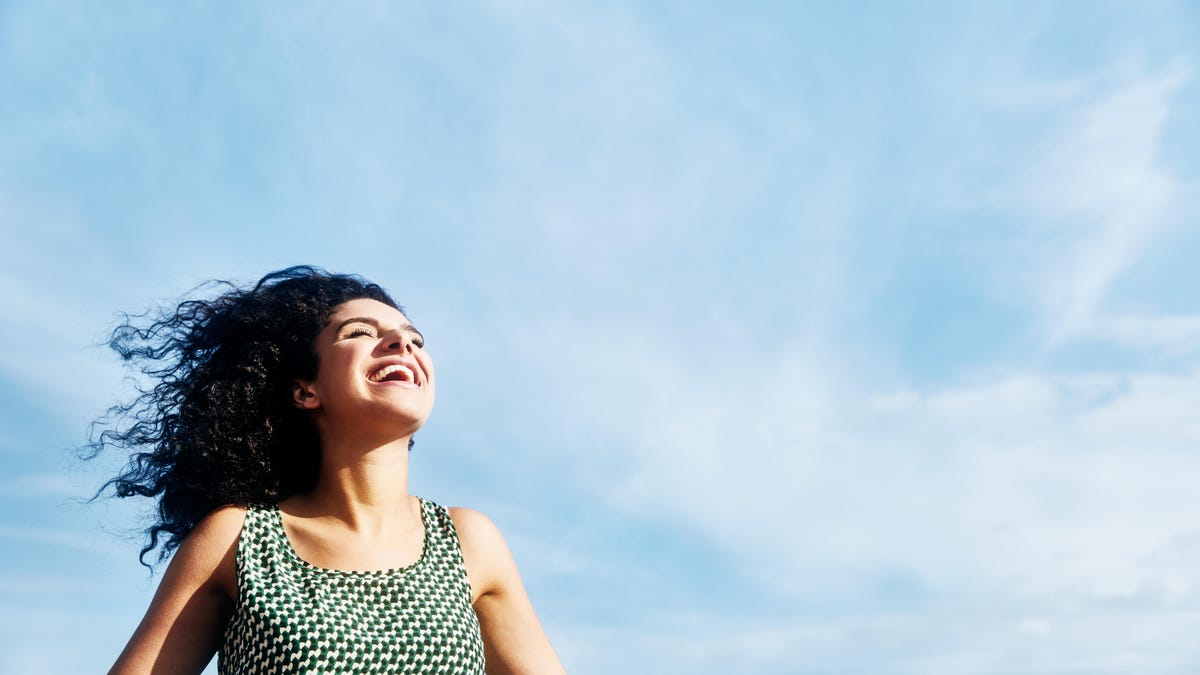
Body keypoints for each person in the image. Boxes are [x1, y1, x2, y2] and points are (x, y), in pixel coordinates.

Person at [94, 266, 566, 674]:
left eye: (415, 339)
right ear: (305, 390)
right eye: (360, 332)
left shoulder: (468, 542)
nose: (402, 342)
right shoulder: (238, 539)